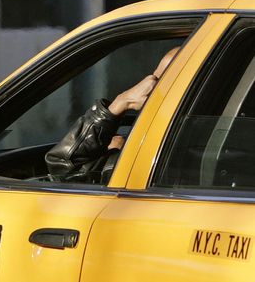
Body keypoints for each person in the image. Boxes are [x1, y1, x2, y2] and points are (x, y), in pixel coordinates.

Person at [45, 47, 180, 183]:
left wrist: (122, 102)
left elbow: (63, 169)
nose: (148, 84)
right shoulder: (189, 143)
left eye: (156, 80)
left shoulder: (151, 157)